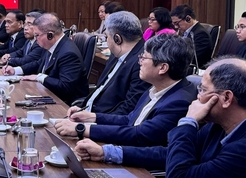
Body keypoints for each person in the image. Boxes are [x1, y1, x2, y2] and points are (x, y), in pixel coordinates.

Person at [75, 57, 246, 178]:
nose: (197, 99)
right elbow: (171, 154)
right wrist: (105, 153)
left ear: (226, 98)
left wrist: (188, 122)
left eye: (203, 90)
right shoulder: (219, 127)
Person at [55, 33, 196, 146]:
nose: (139, 62)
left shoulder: (179, 102)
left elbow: (139, 134)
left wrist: (82, 129)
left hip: (142, 169)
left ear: (163, 68)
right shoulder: (156, 88)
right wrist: (91, 117)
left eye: (144, 58)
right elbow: (130, 120)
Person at [3, 13, 87, 104]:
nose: (35, 39)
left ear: (50, 35)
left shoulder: (68, 54)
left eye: (37, 35)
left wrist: (39, 77)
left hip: (62, 104)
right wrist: (15, 70)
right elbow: (39, 63)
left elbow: (65, 86)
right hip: (47, 93)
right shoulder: (53, 45)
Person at [79, 11, 150, 115]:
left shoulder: (142, 62)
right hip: (87, 113)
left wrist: (93, 119)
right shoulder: (116, 54)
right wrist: (81, 109)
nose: (107, 41)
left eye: (107, 36)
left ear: (117, 38)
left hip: (102, 123)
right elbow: (101, 89)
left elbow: (129, 108)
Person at [170, 4, 212, 69]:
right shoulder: (185, 32)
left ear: (188, 19)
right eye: (174, 24)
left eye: (177, 23)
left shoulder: (201, 34)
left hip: (192, 69)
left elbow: (192, 58)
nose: (175, 27)